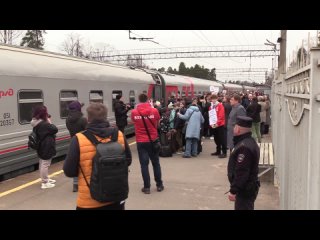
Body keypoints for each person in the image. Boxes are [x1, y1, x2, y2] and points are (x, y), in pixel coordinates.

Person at [63, 103, 132, 210]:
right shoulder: (119, 135)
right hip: (116, 197)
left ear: (88, 118)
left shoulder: (78, 139)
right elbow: (128, 160)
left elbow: (69, 171)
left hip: (89, 201)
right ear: (106, 116)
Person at [131, 93, 164, 194]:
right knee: (156, 163)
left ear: (139, 100)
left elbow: (134, 123)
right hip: (153, 140)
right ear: (148, 100)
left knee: (144, 165)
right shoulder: (154, 110)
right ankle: (159, 185)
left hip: (141, 141)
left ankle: (147, 187)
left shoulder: (134, 112)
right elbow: (157, 124)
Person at [227, 116, 260, 210]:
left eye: (235, 126)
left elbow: (242, 172)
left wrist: (234, 190)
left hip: (245, 190)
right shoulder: (247, 142)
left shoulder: (244, 147)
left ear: (238, 129)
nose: (233, 129)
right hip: (246, 188)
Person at [31, 105, 58, 189]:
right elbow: (55, 129)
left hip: (41, 145)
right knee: (45, 164)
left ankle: (45, 178)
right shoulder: (44, 124)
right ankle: (45, 183)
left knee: (42, 162)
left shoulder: (35, 121)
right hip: (46, 145)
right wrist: (49, 120)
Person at [66, 100, 88, 192]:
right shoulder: (83, 119)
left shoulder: (67, 119)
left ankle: (75, 184)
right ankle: (85, 182)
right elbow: (87, 130)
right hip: (83, 142)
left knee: (75, 163)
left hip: (73, 142)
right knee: (84, 163)